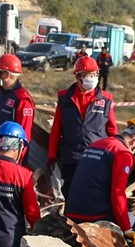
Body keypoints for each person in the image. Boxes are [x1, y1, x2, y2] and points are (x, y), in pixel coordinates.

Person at [65, 118, 135, 247]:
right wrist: (127, 229)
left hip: (72, 210)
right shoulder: (123, 154)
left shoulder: (96, 144)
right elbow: (118, 193)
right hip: (96, 213)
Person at [48, 56, 117, 199]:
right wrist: (51, 155)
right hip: (72, 157)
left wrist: (116, 156)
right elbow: (56, 130)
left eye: (94, 74)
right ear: (77, 76)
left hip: (96, 158)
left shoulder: (105, 100)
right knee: (70, 194)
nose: (92, 78)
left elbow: (112, 131)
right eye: (87, 75)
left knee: (93, 196)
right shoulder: (65, 99)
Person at [0, 54, 35, 160]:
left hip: (9, 157)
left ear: (6, 74)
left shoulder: (23, 100)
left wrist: (18, 161)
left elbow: (25, 136)